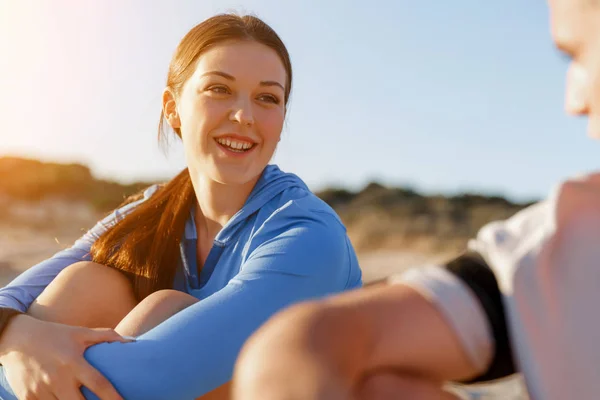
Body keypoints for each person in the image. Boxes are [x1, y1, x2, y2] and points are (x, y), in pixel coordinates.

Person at [232, 1, 600, 399]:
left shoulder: (306, 229)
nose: (573, 102)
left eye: (577, 54)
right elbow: (301, 345)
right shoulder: (570, 237)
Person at [0, 14, 362, 400]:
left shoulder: (307, 235)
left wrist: (25, 357)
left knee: (165, 309)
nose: (244, 116)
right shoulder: (151, 211)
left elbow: (146, 379)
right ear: (173, 108)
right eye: (219, 89)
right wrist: (20, 337)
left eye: (267, 98)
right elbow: (11, 300)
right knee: (84, 285)